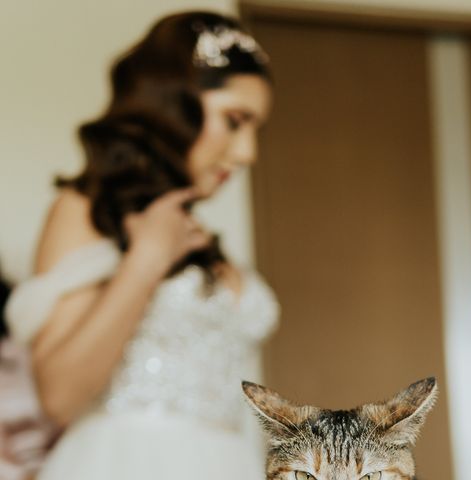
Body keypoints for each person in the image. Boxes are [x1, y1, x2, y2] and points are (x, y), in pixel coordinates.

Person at [4, 11, 279, 480]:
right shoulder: (87, 211)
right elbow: (58, 395)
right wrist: (146, 261)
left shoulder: (198, 237)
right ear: (176, 104)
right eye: (235, 121)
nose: (247, 153)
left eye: (256, 130)